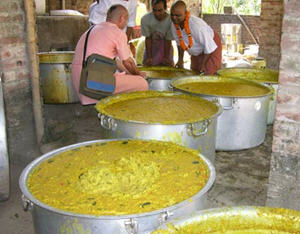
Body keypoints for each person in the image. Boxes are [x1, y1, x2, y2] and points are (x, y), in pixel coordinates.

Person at [72, 5, 148, 105]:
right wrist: (138, 74)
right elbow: (127, 62)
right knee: (142, 84)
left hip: (80, 84)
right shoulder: (117, 32)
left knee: (128, 76)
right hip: (92, 83)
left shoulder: (93, 29)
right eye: (126, 20)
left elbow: (116, 62)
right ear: (122, 18)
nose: (126, 24)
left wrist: (129, 73)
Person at [170, 1, 222, 74]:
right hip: (198, 51)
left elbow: (210, 47)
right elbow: (179, 43)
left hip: (211, 46)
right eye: (172, 15)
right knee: (195, 73)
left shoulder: (196, 25)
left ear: (185, 13)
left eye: (178, 15)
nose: (174, 18)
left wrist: (203, 64)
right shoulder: (174, 24)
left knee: (208, 74)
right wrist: (180, 60)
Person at [141, 0, 174, 66]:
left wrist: (166, 57)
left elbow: (168, 40)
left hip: (166, 47)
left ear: (165, 8)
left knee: (167, 67)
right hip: (151, 47)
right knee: (148, 66)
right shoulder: (145, 19)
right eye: (154, 10)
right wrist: (149, 57)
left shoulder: (171, 20)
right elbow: (148, 39)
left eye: (160, 10)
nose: (157, 13)